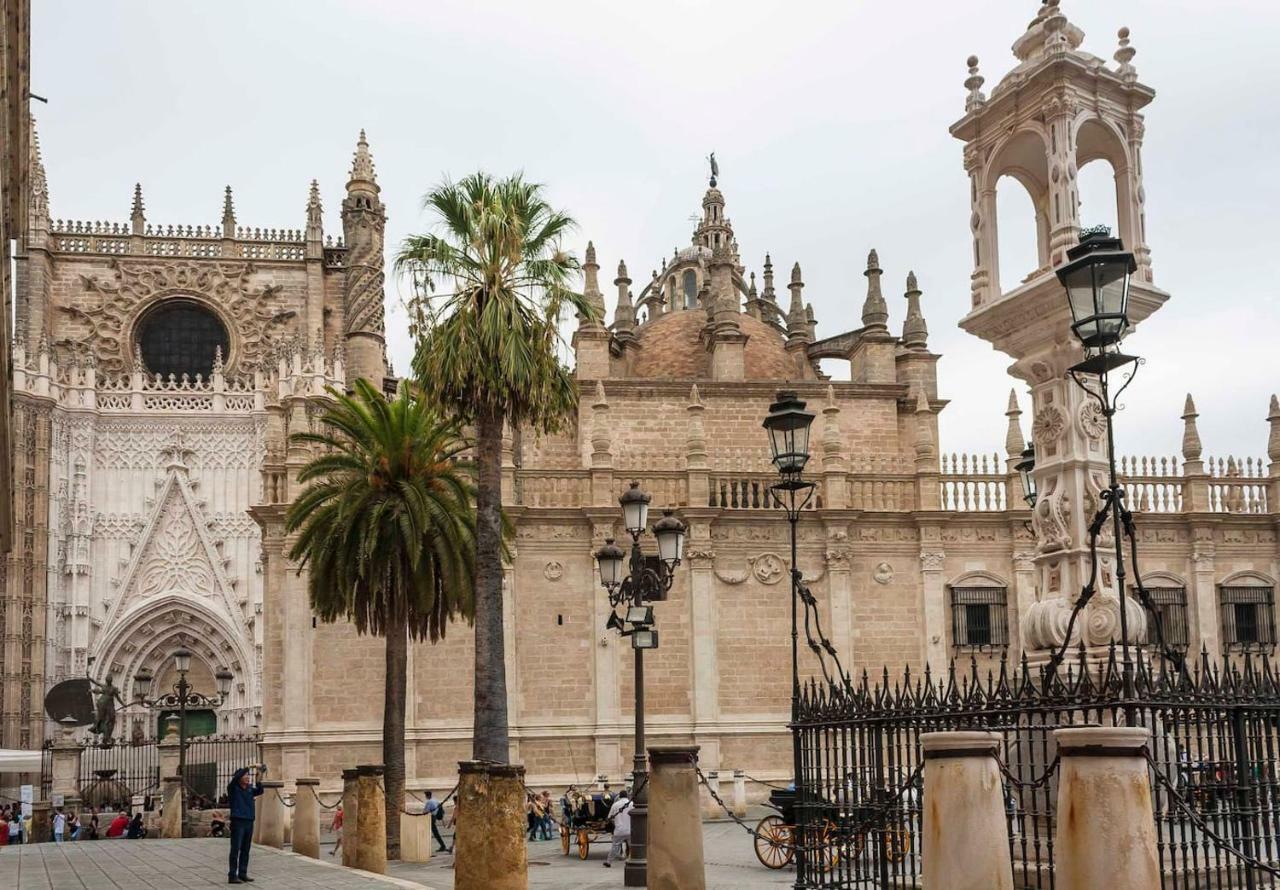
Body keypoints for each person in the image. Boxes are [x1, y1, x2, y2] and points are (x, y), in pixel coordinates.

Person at [227, 763, 265, 884]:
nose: (248, 777)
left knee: (246, 849)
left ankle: (243, 873)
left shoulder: (249, 789)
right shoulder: (233, 788)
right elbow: (236, 776)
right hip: (238, 821)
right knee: (235, 849)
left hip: (249, 821)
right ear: (239, 778)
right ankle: (232, 875)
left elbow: (260, 790)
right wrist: (251, 766)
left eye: (248, 775)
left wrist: (260, 775)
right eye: (246, 775)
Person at [603, 789, 632, 868]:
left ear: (619, 796)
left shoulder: (615, 805)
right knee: (632, 846)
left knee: (615, 846)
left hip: (619, 830)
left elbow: (609, 817)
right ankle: (630, 859)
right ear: (627, 796)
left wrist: (615, 822)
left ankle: (609, 862)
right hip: (630, 829)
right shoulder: (632, 804)